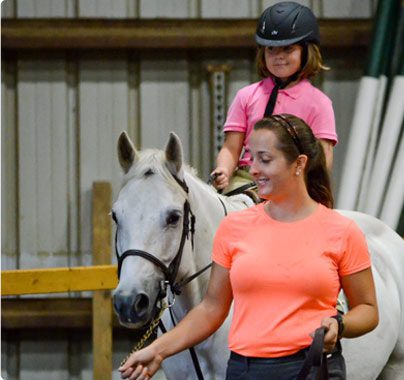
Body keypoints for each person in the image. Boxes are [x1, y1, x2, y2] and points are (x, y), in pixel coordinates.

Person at [119, 114, 378, 380]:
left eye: (264, 160)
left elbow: (368, 309)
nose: (253, 169)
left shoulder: (341, 231)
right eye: (251, 157)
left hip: (310, 368)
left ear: (299, 164)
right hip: (244, 371)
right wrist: (158, 351)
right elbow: (211, 309)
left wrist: (340, 323)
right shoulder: (234, 228)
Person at [211, 1, 337, 193]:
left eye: (288, 49)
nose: (278, 56)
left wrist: (311, 189)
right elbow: (231, 148)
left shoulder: (319, 103)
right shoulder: (246, 96)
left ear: (307, 52)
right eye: (271, 49)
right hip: (248, 177)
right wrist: (224, 170)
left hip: (295, 181)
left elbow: (323, 156)